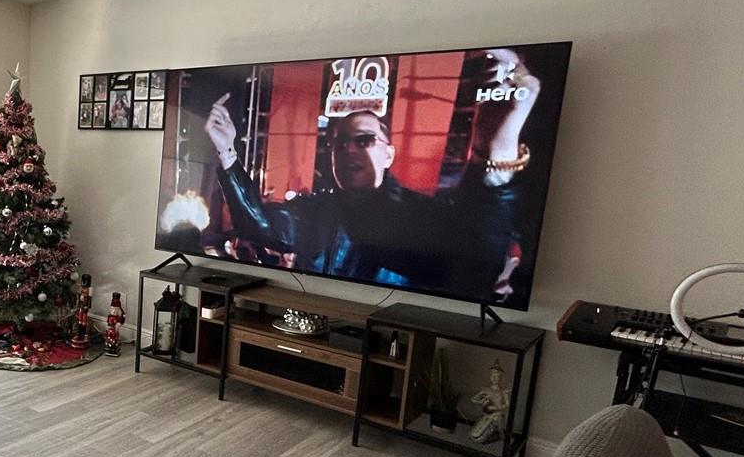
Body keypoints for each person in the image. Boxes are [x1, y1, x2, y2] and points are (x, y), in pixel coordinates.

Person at [203, 49, 542, 297]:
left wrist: (496, 146)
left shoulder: (420, 214)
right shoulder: (315, 210)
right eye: (339, 143)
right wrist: (227, 151)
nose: (349, 149)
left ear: (388, 153)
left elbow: (478, 262)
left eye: (364, 140)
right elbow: (260, 225)